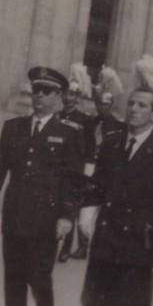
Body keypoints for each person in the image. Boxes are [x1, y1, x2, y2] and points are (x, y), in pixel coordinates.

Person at [80, 87, 153, 306]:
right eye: (131, 103)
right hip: (104, 244)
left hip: (138, 247)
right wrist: (87, 214)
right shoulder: (112, 143)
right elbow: (97, 185)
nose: (133, 109)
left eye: (142, 105)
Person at [0, 67, 84, 306]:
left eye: (47, 91)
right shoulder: (13, 127)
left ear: (59, 97)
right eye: (36, 90)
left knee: (40, 281)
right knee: (13, 280)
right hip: (14, 217)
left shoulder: (69, 133)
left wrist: (67, 216)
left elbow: (72, 179)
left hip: (45, 221)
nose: (39, 95)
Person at [57, 63, 95, 261]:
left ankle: (65, 249)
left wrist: (86, 174)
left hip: (74, 171)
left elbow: (90, 149)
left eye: (72, 94)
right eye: (66, 93)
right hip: (57, 169)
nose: (68, 97)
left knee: (70, 209)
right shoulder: (56, 116)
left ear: (78, 97)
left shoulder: (85, 120)